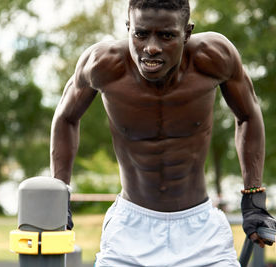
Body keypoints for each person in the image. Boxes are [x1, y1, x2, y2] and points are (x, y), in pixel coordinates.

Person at [50, 0, 276, 266]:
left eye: (167, 35)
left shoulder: (214, 58)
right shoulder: (102, 65)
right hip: (129, 232)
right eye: (141, 33)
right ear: (128, 28)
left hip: (200, 231)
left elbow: (248, 115)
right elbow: (65, 118)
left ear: (187, 33)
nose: (151, 48)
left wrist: (254, 197)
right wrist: (58, 194)